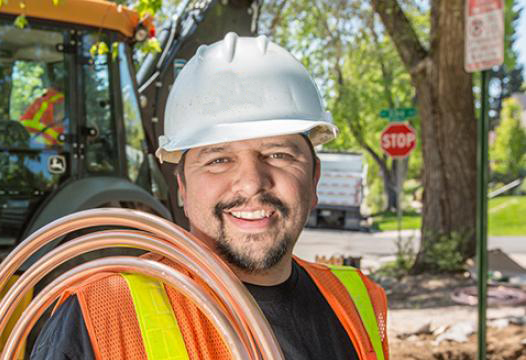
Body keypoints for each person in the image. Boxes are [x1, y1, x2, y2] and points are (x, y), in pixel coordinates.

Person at [30, 33, 389, 360]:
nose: (250, 184)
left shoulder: (359, 300)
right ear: (183, 188)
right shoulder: (102, 314)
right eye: (219, 160)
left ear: (314, 180)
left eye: (278, 154)